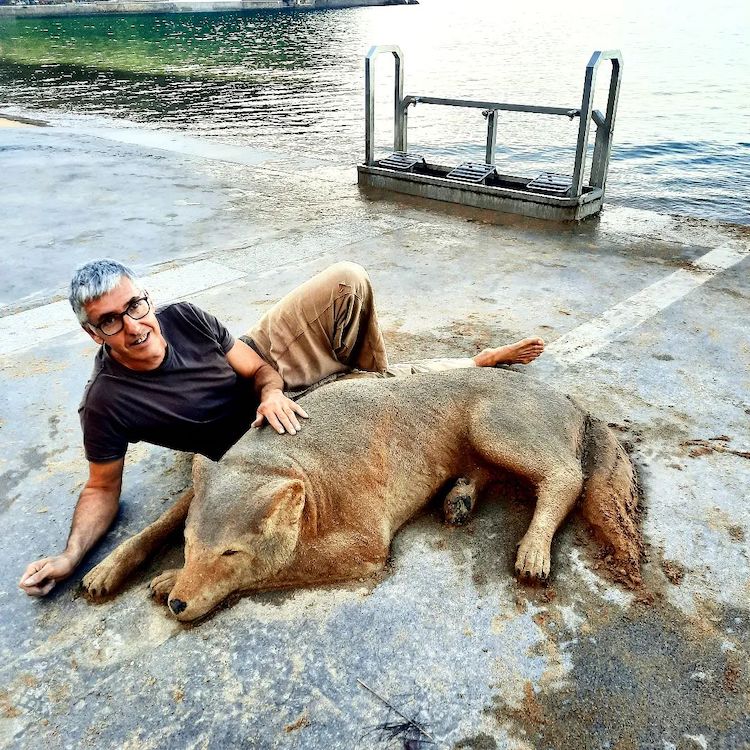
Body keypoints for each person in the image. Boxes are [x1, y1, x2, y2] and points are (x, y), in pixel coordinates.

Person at [19, 259, 544, 597]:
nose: (134, 325)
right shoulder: (106, 402)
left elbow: (258, 367)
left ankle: (459, 368)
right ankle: (448, 370)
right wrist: (71, 554)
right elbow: (101, 487)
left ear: (145, 298)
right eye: (111, 320)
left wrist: (271, 392)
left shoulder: (181, 317)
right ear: (94, 334)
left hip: (267, 385)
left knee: (348, 283)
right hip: (242, 444)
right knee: (363, 388)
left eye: (135, 305)